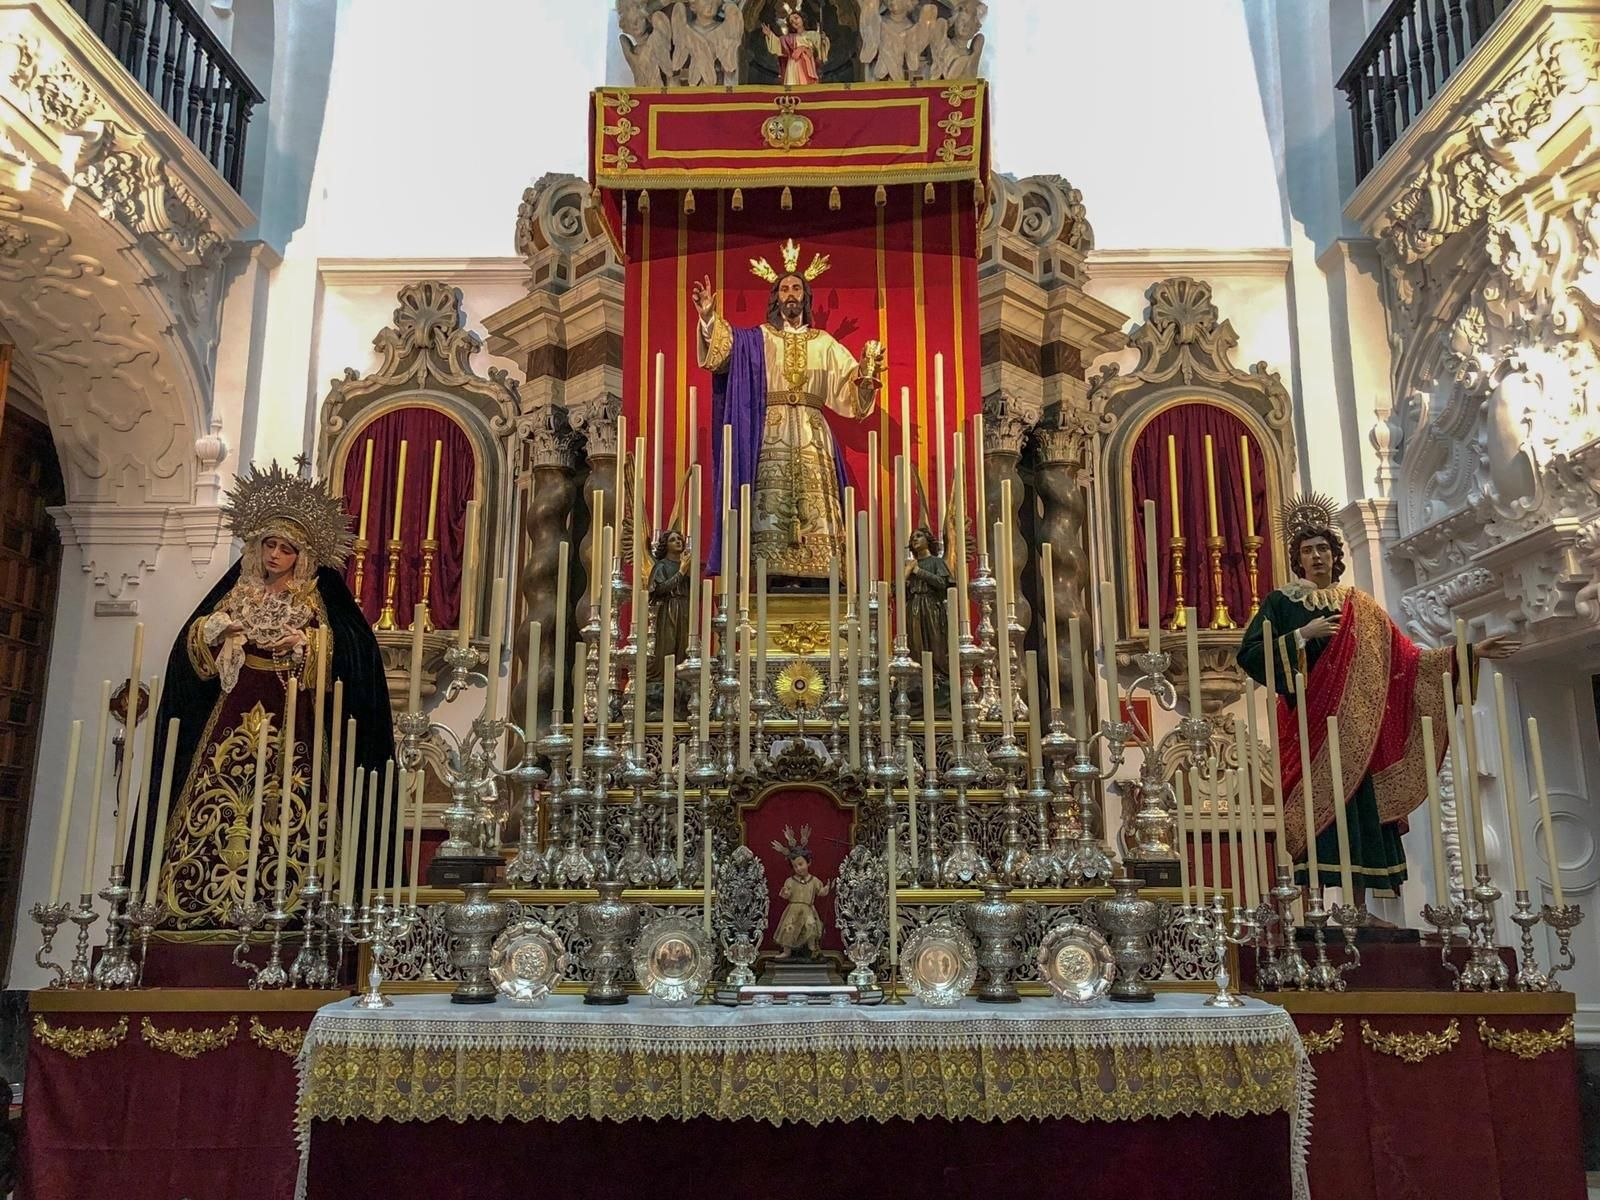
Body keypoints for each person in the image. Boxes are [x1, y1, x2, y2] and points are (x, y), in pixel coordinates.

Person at [134, 462, 395, 928]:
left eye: (287, 548)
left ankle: (298, 909)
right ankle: (199, 904)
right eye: (269, 545)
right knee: (215, 797)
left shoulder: (316, 598)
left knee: (290, 802)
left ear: (303, 554)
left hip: (293, 716)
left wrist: (309, 644)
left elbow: (353, 657)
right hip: (232, 711)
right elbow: (191, 652)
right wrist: (215, 632)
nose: (276, 555)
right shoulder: (238, 592)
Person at [1236, 496, 1517, 916]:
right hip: (1309, 727)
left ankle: (1358, 907)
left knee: (1358, 813)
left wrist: (1467, 652)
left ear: (1335, 556)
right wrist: (1301, 635)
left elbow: (1407, 660)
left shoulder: (1361, 606)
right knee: (1314, 815)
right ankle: (1315, 907)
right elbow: (1250, 653)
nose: (1317, 557)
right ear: (1297, 559)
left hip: (1357, 732)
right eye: (1308, 550)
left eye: (1323, 549)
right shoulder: (1282, 603)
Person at [693, 243, 883, 581]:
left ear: (805, 297)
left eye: (796, 288)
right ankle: (771, 573)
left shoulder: (824, 342)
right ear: (776, 298)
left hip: (813, 432)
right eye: (784, 288)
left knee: (818, 503)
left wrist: (867, 374)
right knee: (768, 499)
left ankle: (819, 573)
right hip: (771, 430)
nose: (790, 294)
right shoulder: (759, 339)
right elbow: (723, 355)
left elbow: (851, 390)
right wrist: (708, 318)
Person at [905, 526, 954, 679]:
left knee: (935, 641)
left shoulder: (936, 562)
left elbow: (942, 582)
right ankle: (919, 677)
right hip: (914, 606)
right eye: (913, 537)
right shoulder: (910, 565)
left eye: (919, 536)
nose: (914, 539)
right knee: (916, 643)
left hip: (931, 605)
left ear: (928, 540)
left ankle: (938, 676)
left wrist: (919, 572)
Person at [762, 6, 829, 86]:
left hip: (807, 64)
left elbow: (820, 49)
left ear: (802, 19)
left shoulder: (812, 35)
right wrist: (770, 35)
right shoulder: (789, 37)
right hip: (793, 64)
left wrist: (823, 40)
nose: (794, 22)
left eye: (796, 18)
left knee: (807, 85)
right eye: (791, 22)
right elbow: (778, 44)